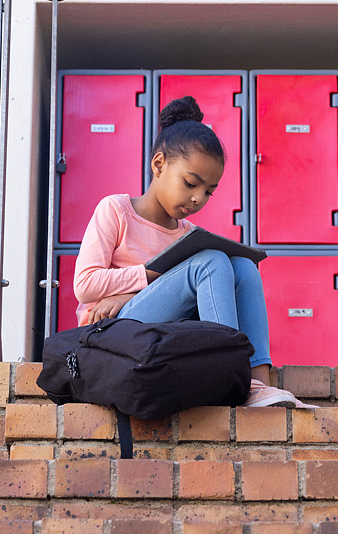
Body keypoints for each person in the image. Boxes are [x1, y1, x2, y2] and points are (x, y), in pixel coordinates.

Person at [73, 95, 313, 408]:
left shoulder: (186, 235)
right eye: (190, 183)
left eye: (208, 192)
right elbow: (85, 285)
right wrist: (148, 275)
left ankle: (258, 383)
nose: (198, 198)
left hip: (159, 332)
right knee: (211, 261)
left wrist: (128, 294)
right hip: (111, 335)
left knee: (243, 266)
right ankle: (232, 376)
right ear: (159, 164)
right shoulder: (117, 210)